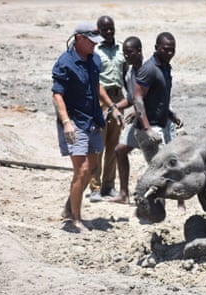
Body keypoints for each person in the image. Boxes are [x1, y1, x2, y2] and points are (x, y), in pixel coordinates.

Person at [52, 21, 123, 232]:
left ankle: (69, 206)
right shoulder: (65, 63)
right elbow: (57, 95)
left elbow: (97, 85)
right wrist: (66, 123)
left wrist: (113, 107)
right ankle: (76, 219)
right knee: (81, 170)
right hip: (75, 122)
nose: (95, 45)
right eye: (91, 41)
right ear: (79, 39)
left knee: (91, 169)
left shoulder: (94, 59)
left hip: (93, 120)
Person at [108, 33, 183, 207]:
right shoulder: (146, 69)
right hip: (147, 125)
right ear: (156, 48)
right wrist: (146, 127)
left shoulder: (164, 67)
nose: (170, 53)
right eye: (166, 49)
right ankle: (129, 196)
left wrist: (171, 114)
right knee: (154, 164)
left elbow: (157, 97)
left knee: (165, 164)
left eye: (173, 50)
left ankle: (175, 201)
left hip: (155, 122)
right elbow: (137, 98)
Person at [89, 15, 127, 202]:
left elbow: (127, 75)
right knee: (98, 145)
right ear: (98, 30)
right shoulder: (94, 51)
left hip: (118, 99)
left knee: (114, 145)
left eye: (111, 28)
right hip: (100, 100)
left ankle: (109, 186)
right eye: (105, 29)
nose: (109, 32)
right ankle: (95, 187)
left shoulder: (122, 49)